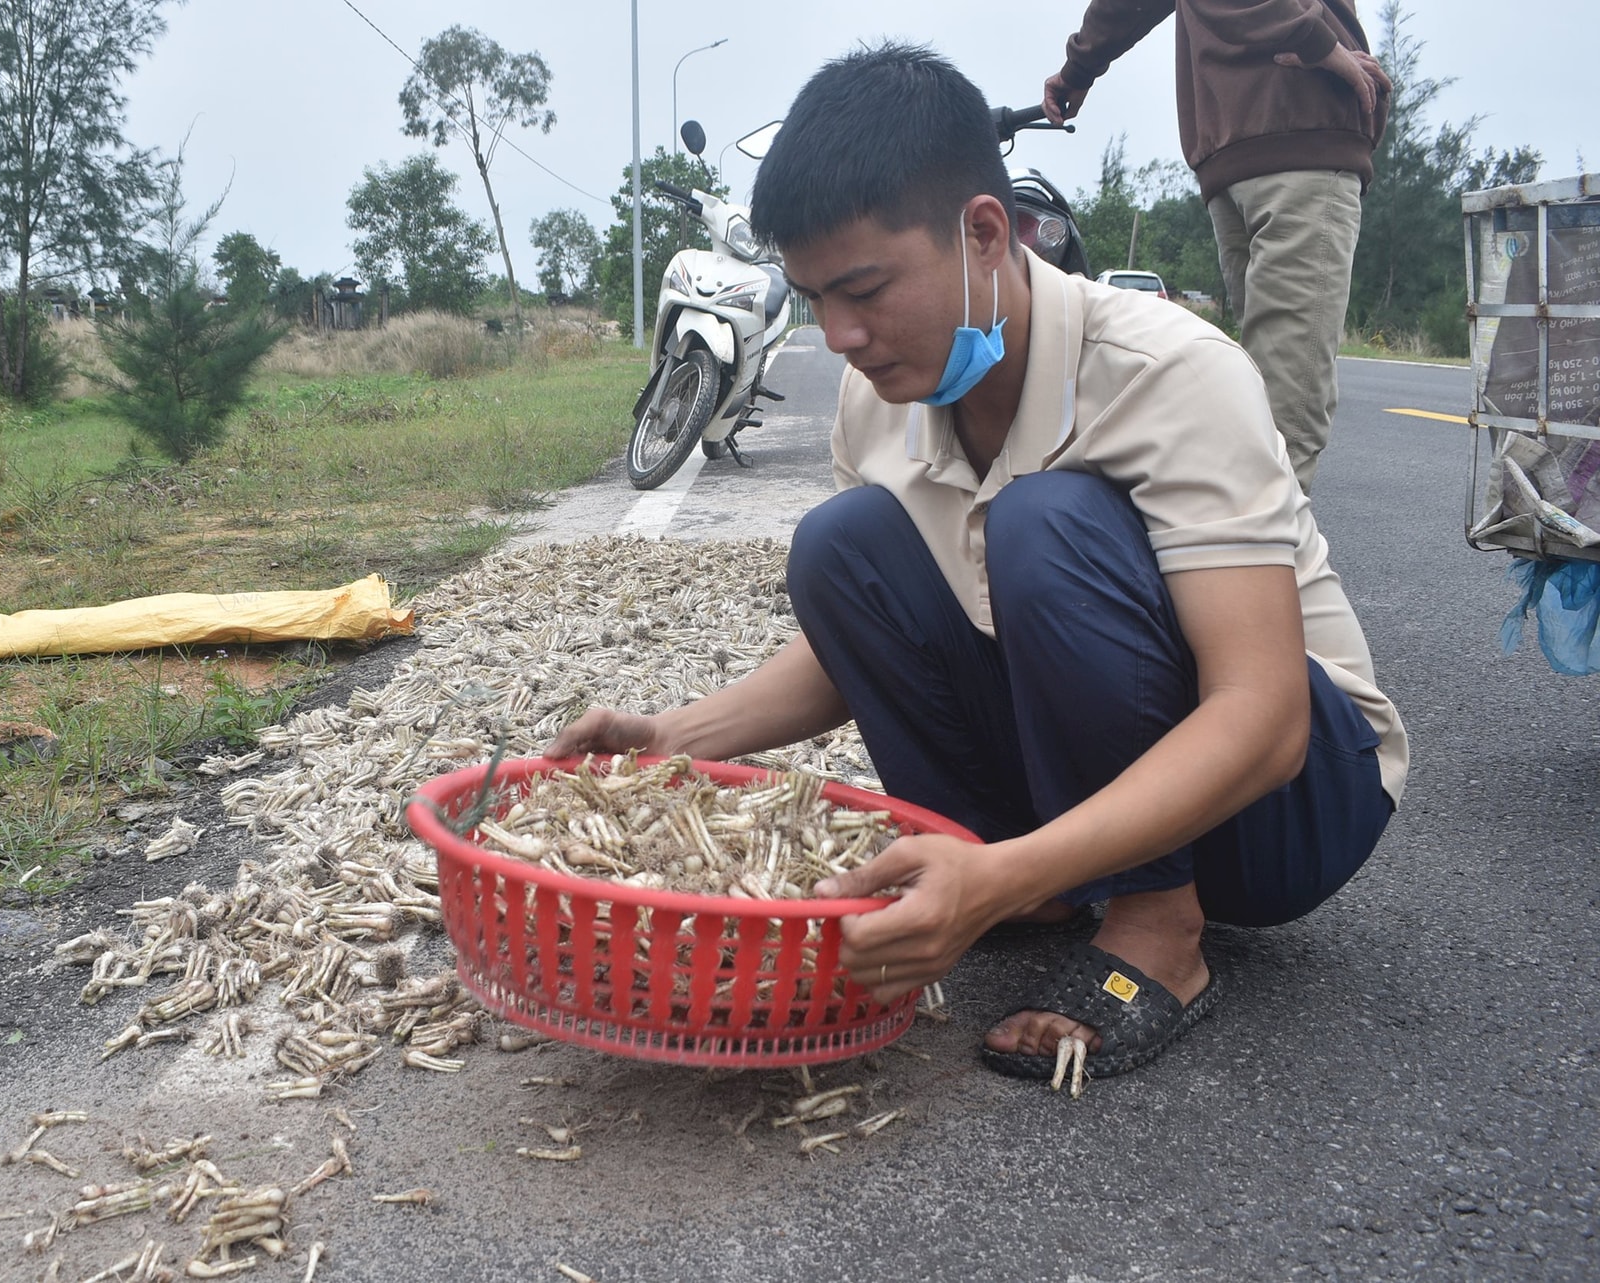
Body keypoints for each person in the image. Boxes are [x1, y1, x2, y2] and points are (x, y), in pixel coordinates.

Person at [546, 43, 1407, 1084]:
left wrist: (996, 874)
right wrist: (671, 736)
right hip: (1099, 769)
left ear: (985, 232)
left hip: (1291, 803)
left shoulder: (1164, 371)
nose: (842, 335)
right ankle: (1031, 883)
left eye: (864, 287)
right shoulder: (881, 401)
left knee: (1045, 524)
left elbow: (1266, 719)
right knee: (844, 547)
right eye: (813, 296)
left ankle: (1156, 931)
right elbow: (859, 640)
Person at [1043, 0, 1391, 494]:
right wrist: (1318, 40)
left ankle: (1220, 554)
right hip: (1301, 130)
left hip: (1235, 143)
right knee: (1286, 420)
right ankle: (1250, 562)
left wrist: (1081, 65)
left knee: (1259, 407)